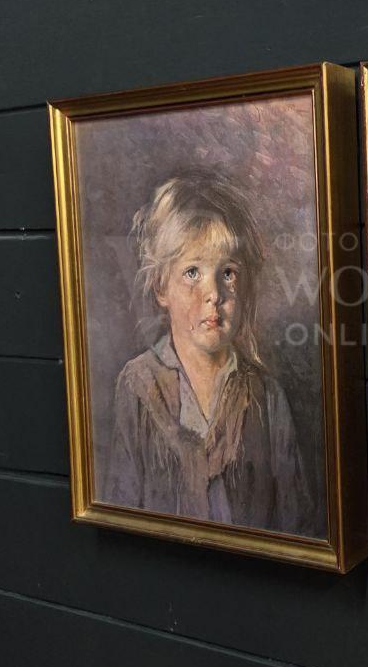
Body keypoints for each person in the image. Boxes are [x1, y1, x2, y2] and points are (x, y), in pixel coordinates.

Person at [102, 170, 325, 539]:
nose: (215, 294)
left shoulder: (266, 395)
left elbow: (296, 520)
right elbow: (122, 506)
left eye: (228, 273)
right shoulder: (138, 385)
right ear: (161, 287)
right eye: (192, 272)